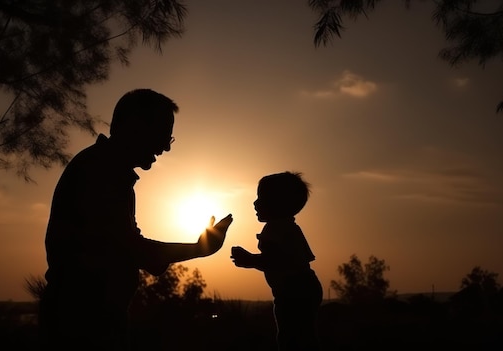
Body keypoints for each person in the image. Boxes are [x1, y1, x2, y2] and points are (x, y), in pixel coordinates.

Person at [39, 88, 233, 350]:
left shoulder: (108, 171)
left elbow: (129, 244)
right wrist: (199, 250)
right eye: (164, 134)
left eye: (170, 138)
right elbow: (132, 249)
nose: (166, 147)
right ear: (135, 126)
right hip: (85, 321)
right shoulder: (101, 173)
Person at [230, 171, 322, 351]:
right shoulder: (289, 227)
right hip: (304, 286)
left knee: (290, 338)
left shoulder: (274, 230)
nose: (255, 203)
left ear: (278, 203)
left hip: (293, 290)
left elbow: (276, 261)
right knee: (304, 334)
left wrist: (250, 260)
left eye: (261, 198)